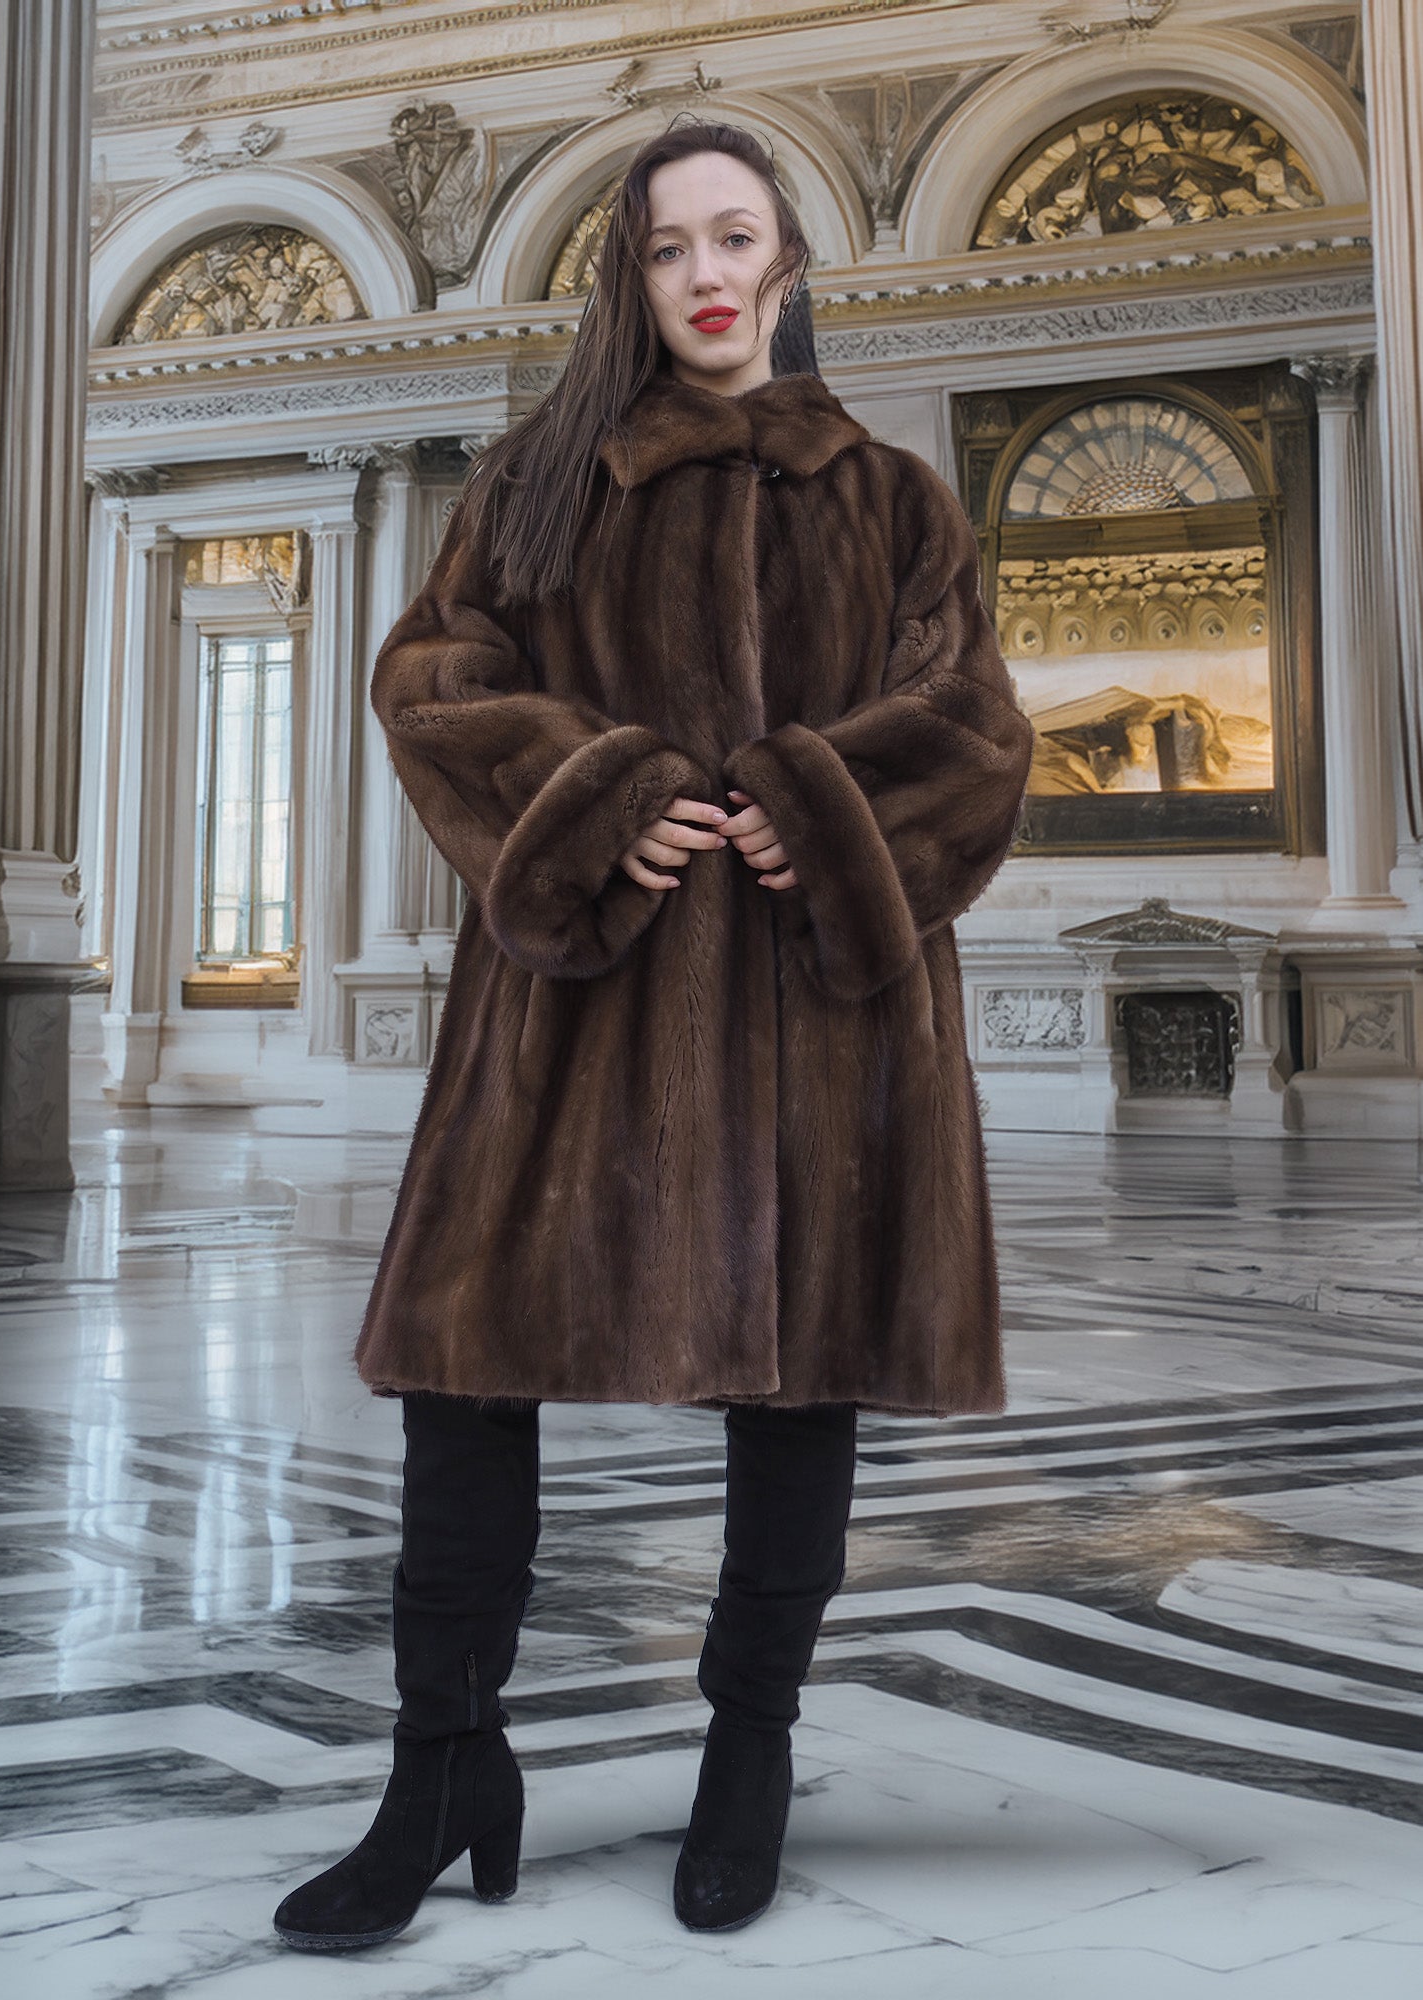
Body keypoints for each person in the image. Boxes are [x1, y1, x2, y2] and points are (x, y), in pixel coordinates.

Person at [273, 114, 1035, 1952]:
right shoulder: (543, 483)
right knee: (467, 1376)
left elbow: (980, 732)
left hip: (813, 1016)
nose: (705, 272)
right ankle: (443, 1764)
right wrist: (598, 790)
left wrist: (820, 801)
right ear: (632, 274)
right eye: (670, 244)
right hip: (576, 1014)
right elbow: (432, 682)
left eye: (736, 237)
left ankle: (747, 1754)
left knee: (799, 1387)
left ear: (786, 264)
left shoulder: (894, 499)